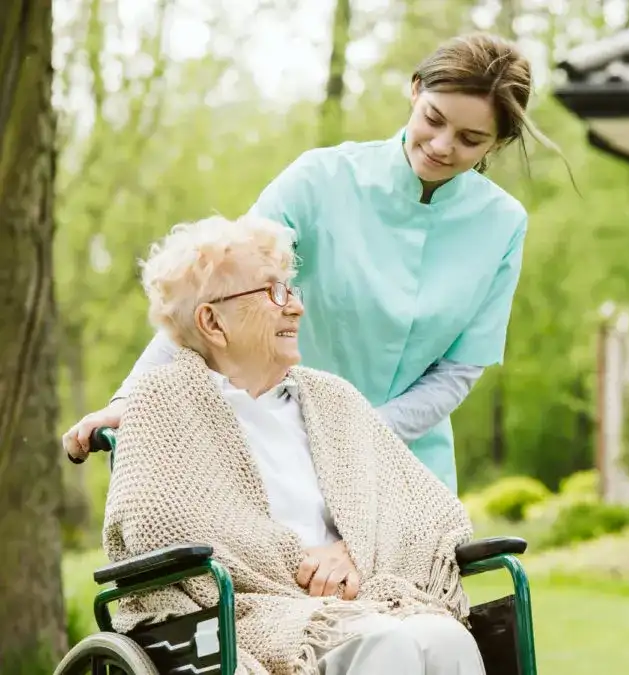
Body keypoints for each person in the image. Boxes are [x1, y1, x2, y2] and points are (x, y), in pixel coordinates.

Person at [63, 32, 562, 494]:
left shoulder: (503, 225)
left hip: (407, 467)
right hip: (283, 448)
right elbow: (211, 296)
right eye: (433, 119)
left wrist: (359, 436)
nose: (440, 145)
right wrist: (129, 401)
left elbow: (456, 370)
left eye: (470, 139)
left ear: (497, 143)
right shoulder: (319, 179)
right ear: (415, 91)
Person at [104, 214, 481, 675]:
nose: (295, 308)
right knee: (384, 645)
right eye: (272, 292)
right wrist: (296, 566)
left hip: (362, 600)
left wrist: (354, 550)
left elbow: (427, 510)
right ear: (212, 321)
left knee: (446, 638)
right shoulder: (164, 402)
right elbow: (156, 524)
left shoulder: (333, 399)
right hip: (249, 616)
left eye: (291, 290)